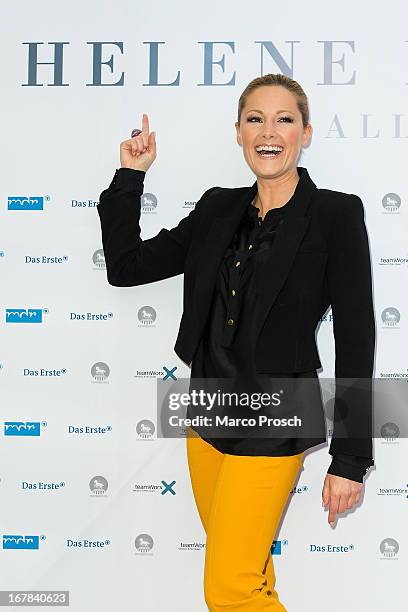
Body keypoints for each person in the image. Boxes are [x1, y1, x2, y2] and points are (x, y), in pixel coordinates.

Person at [97, 73, 376, 611]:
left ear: (306, 132)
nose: (268, 132)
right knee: (249, 578)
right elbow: (126, 268)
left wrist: (350, 457)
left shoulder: (336, 214)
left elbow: (356, 338)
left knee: (229, 589)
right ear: (239, 132)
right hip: (206, 413)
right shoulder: (217, 207)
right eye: (255, 119)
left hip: (277, 415)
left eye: (284, 119)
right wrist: (131, 177)